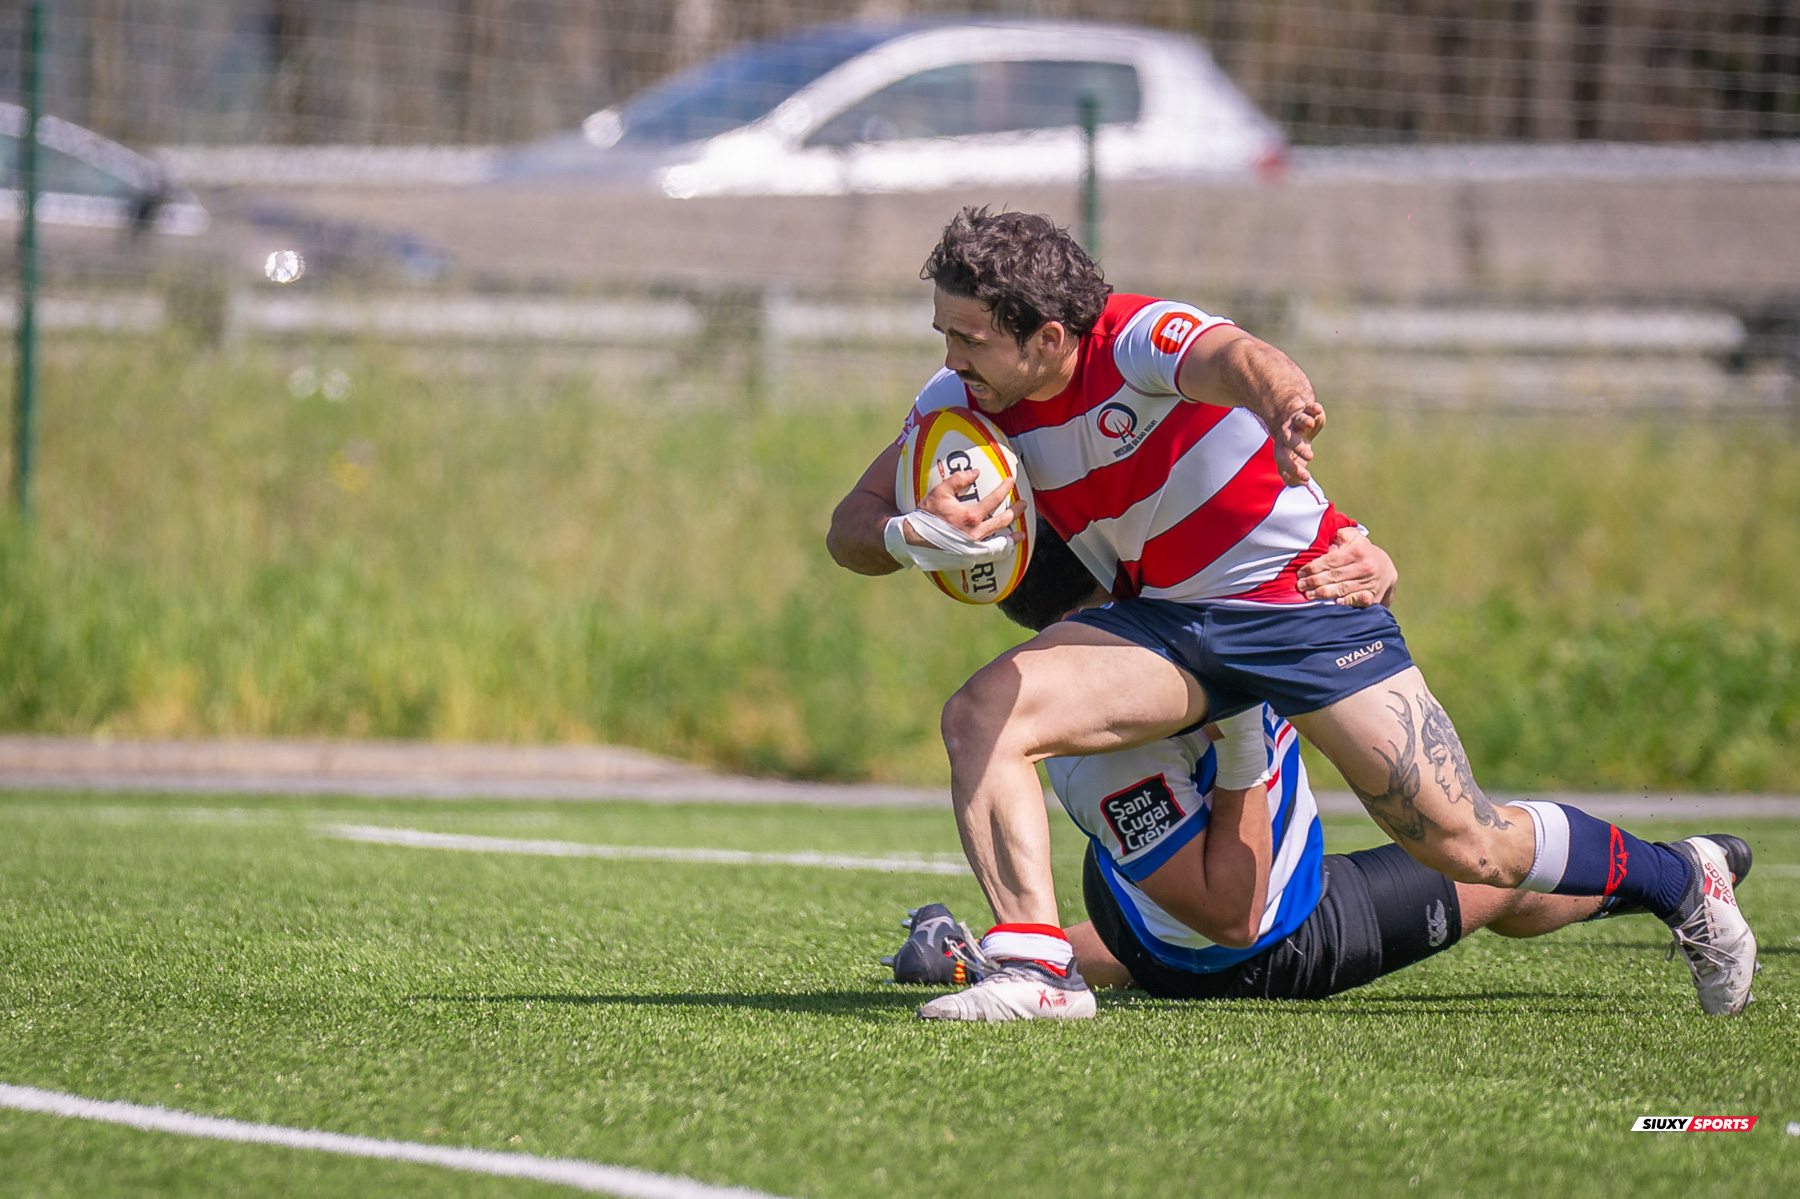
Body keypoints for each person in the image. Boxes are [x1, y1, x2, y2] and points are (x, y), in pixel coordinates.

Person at [826, 207, 1757, 1019]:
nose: (949, 358)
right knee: (983, 711)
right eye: (942, 332)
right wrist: (910, 536)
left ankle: (1684, 879)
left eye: (969, 337)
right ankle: (1035, 965)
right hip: (1162, 624)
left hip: (1300, 608)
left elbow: (1235, 355)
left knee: (1470, 843)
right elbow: (849, 527)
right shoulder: (964, 403)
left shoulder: (1134, 337)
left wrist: (1283, 401)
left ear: (1053, 333)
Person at [882, 526, 1756, 1016]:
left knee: (1161, 901)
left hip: (1144, 899)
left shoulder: (1170, 595)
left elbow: (1333, 623)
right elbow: (1227, 913)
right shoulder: (1089, 741)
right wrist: (1242, 742)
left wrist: (1370, 565)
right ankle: (1682, 872)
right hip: (1262, 939)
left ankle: (983, 956)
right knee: (1494, 869)